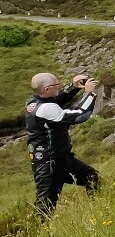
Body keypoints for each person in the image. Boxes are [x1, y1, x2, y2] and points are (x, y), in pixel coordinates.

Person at [26, 72, 100, 218]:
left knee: (91, 177)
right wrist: (90, 94)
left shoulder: (34, 101)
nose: (59, 87)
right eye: (56, 85)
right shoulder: (45, 109)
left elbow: (57, 101)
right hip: (49, 164)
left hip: (61, 158)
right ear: (47, 89)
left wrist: (73, 87)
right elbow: (80, 114)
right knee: (45, 207)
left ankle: (98, 210)